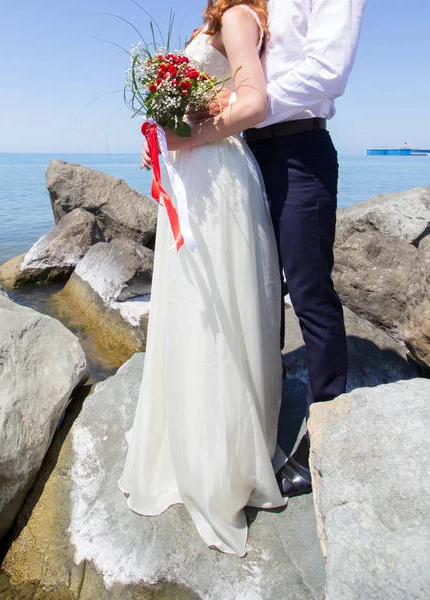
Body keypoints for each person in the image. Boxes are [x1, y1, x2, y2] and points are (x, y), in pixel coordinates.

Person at [142, 0, 366, 498]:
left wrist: (230, 103)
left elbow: (327, 73)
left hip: (296, 149)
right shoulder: (253, 8)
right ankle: (259, 419)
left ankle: (326, 438)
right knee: (257, 286)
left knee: (309, 288)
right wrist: (169, 128)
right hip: (242, 150)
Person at [119, 0, 286, 557]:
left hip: (216, 184)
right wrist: (165, 136)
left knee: (210, 314)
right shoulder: (212, 25)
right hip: (195, 179)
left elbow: (255, 103)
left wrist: (188, 137)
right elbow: (201, 107)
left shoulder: (239, 16)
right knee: (189, 308)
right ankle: (187, 438)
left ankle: (219, 464)